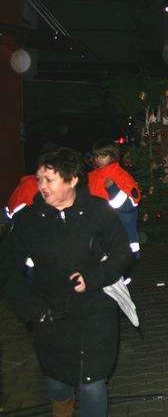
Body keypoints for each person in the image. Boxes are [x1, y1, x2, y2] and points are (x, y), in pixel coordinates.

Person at [1, 148, 132, 416]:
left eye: (50, 180)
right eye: (39, 179)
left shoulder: (98, 211)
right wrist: (31, 308)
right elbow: (7, 271)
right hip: (51, 314)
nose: (42, 187)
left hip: (95, 311)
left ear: (72, 179)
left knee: (93, 383)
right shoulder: (28, 221)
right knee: (58, 384)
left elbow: (122, 252)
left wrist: (93, 276)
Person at [88, 139, 142, 259]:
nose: (99, 160)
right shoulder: (91, 177)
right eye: (96, 156)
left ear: (112, 156)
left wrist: (113, 190)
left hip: (118, 230)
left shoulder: (121, 176)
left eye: (103, 156)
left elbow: (131, 205)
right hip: (97, 232)